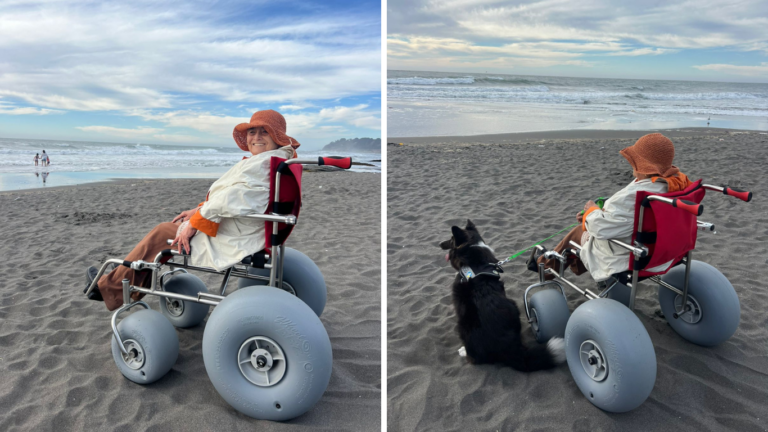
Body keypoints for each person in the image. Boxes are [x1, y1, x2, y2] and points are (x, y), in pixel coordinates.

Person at [84, 110, 300, 310]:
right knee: (172, 228)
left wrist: (196, 222)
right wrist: (198, 210)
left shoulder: (264, 164)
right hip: (247, 227)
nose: (256, 137)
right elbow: (237, 198)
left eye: (265, 131)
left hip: (235, 237)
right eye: (252, 132)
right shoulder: (276, 161)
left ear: (277, 137)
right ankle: (122, 282)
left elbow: (233, 198)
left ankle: (107, 289)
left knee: (163, 233)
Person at [538, 133, 692, 282]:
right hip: (667, 252)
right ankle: (561, 264)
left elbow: (601, 228)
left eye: (634, 161)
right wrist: (594, 214)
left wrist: (591, 211)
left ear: (642, 165)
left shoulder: (638, 196)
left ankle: (545, 268)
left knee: (578, 233)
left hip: (632, 255)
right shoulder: (677, 186)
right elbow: (625, 217)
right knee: (585, 226)